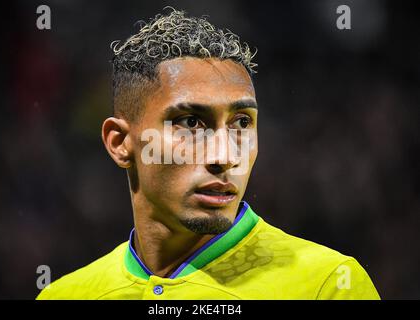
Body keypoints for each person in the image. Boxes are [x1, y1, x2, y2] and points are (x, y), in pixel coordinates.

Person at [37, 8, 380, 300]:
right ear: (120, 142)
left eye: (242, 122)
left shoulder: (329, 285)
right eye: (190, 122)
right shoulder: (65, 294)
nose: (225, 155)